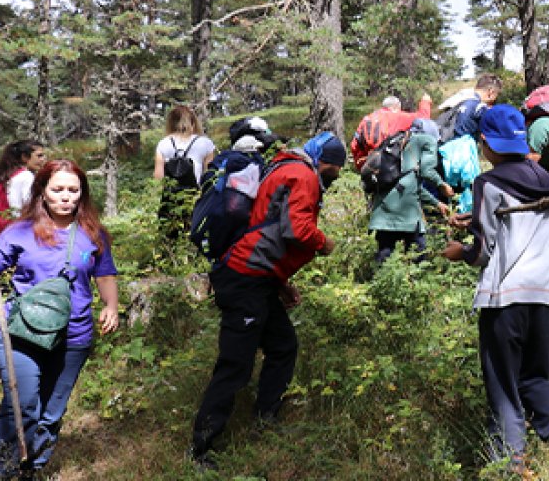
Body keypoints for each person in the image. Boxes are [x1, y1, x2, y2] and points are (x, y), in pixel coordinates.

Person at [442, 105, 549, 478]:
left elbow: (482, 249)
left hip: (504, 296)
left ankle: (509, 465)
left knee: (504, 385)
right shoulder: (547, 180)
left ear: (486, 143)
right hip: (543, 294)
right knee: (535, 376)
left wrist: (460, 253)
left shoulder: (487, 183)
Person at [190, 132, 343, 469]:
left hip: (256, 276)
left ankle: (265, 418)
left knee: (282, 344)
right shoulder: (304, 175)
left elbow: (266, 226)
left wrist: (280, 282)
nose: (336, 176)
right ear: (328, 163)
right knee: (236, 364)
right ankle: (201, 447)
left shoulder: (284, 168)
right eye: (336, 169)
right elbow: (296, 229)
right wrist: (325, 242)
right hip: (245, 278)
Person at [0, 159, 120, 479]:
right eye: (58, 189)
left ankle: (31, 468)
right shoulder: (19, 232)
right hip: (21, 333)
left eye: (73, 190)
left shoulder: (93, 235)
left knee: (51, 414)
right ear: (42, 192)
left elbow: (104, 275)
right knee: (22, 406)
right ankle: (0, 471)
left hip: (73, 335)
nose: (66, 196)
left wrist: (111, 305)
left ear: (82, 193)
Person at [369, 119, 453, 263]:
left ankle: (380, 284)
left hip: (382, 212)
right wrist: (441, 184)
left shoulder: (397, 141)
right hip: (407, 215)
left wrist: (436, 203)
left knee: (384, 257)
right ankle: (417, 282)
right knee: (419, 256)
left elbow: (409, 184)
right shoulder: (427, 140)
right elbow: (427, 171)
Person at [154, 106, 217, 240]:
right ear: (193, 122)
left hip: (170, 199)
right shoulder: (205, 143)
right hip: (195, 197)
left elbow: (158, 177)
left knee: (170, 237)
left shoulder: (163, 144)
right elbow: (210, 175)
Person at [0, 140, 48, 245]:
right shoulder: (26, 177)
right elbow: (30, 208)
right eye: (39, 156)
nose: (43, 159)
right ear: (24, 157)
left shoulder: (7, 176)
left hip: (3, 234)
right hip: (20, 232)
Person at [350, 93, 433, 170]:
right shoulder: (397, 116)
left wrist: (360, 164)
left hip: (370, 165)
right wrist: (425, 101)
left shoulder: (366, 119)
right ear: (396, 107)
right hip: (390, 166)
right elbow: (423, 118)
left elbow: (354, 145)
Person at [439, 73, 503, 142]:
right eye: (497, 95)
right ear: (491, 92)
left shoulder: (458, 99)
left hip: (442, 144)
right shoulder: (480, 107)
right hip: (461, 149)